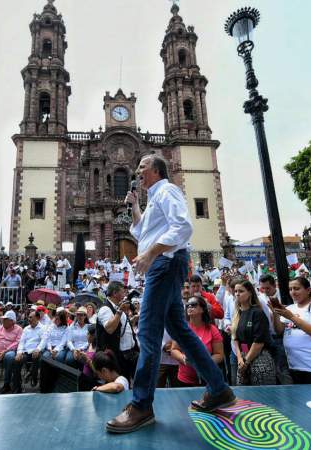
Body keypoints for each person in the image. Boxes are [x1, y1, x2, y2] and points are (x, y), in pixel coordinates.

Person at [107, 155, 234, 434]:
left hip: (164, 264)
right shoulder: (154, 198)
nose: (137, 171)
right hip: (163, 264)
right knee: (181, 330)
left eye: (141, 167)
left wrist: (151, 254)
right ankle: (218, 388)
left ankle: (141, 405)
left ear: (154, 170)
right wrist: (136, 207)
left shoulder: (167, 190)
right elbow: (144, 232)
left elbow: (183, 227)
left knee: (149, 334)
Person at [169, 295, 225, 387]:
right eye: (188, 305)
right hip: (184, 379)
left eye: (194, 305)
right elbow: (174, 350)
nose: (190, 307)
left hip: (207, 378)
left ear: (202, 309)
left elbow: (219, 355)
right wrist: (183, 358)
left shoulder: (212, 329)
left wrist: (204, 361)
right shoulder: (181, 328)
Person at [231, 280, 277, 386]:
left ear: (250, 293)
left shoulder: (257, 313)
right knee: (244, 396)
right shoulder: (238, 313)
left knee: (262, 396)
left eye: (241, 291)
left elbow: (259, 342)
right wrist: (239, 358)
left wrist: (246, 362)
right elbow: (235, 338)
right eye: (236, 291)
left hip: (259, 358)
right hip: (242, 359)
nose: (237, 294)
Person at [96, 281, 138, 381]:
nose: (125, 295)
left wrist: (132, 320)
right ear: (115, 293)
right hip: (117, 357)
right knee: (120, 384)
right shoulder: (105, 309)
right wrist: (119, 311)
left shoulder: (118, 307)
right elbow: (110, 329)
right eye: (123, 292)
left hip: (129, 353)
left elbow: (122, 328)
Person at [257, 274, 292, 384]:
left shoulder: (285, 296)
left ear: (274, 285)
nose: (265, 291)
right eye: (263, 288)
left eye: (268, 288)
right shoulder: (260, 298)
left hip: (281, 337)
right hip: (268, 337)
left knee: (282, 368)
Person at [14, 311, 44, 391]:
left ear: (37, 318)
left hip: (37, 351)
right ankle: (17, 386)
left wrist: (38, 349)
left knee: (36, 357)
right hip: (26, 352)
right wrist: (19, 353)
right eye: (29, 317)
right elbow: (22, 342)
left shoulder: (43, 328)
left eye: (31, 317)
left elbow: (43, 341)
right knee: (16, 361)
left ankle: (34, 377)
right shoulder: (26, 329)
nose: (29, 319)